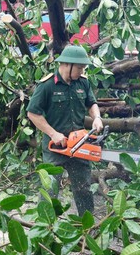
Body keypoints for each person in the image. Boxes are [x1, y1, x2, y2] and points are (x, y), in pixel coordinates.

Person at [27, 45, 104, 216]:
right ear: (66, 65)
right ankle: (44, 224)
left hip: (79, 144)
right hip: (56, 147)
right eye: (79, 67)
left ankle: (86, 225)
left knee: (83, 187)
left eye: (83, 68)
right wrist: (53, 133)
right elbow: (33, 113)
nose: (82, 70)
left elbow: (91, 103)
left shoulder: (83, 83)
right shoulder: (46, 86)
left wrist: (97, 117)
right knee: (50, 188)